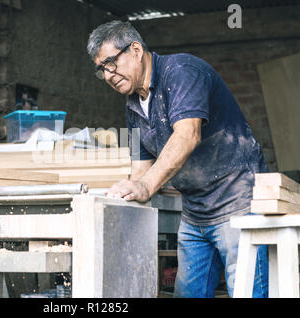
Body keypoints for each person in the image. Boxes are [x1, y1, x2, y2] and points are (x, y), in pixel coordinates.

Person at [86, 20, 268, 298]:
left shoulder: (182, 71)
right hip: (195, 212)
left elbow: (187, 134)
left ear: (135, 50)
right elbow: (140, 168)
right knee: (187, 294)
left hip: (239, 204)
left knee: (246, 291)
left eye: (111, 62)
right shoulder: (133, 105)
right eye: (102, 69)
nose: (109, 74)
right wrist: (121, 195)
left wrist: (146, 186)